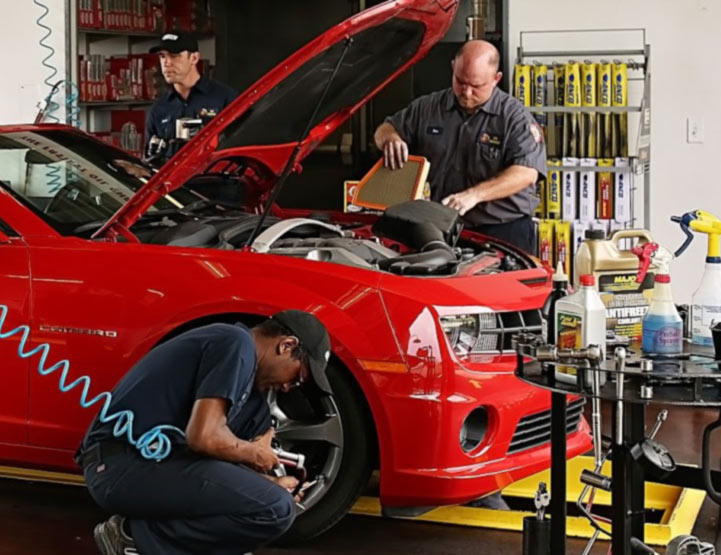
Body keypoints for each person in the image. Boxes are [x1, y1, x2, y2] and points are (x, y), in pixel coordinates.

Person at [80, 311, 331, 555]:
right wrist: (255, 454)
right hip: (120, 465)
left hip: (149, 466)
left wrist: (271, 483)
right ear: (286, 345)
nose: (289, 387)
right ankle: (136, 538)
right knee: (275, 508)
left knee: (270, 500)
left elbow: (220, 467)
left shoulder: (250, 396)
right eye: (297, 377)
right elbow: (204, 438)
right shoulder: (236, 343)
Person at [374, 40, 547, 251]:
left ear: (496, 79)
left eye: (476, 86)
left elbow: (527, 172)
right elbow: (385, 128)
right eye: (460, 82)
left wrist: (474, 195)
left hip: (503, 230)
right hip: (442, 227)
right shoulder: (428, 108)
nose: (466, 92)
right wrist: (391, 139)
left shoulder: (514, 118)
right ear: (452, 67)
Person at [145, 31, 239, 167]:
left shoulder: (225, 98)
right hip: (173, 186)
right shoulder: (159, 109)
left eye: (174, 56)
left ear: (194, 58)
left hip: (216, 183)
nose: (167, 63)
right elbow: (150, 160)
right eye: (162, 56)